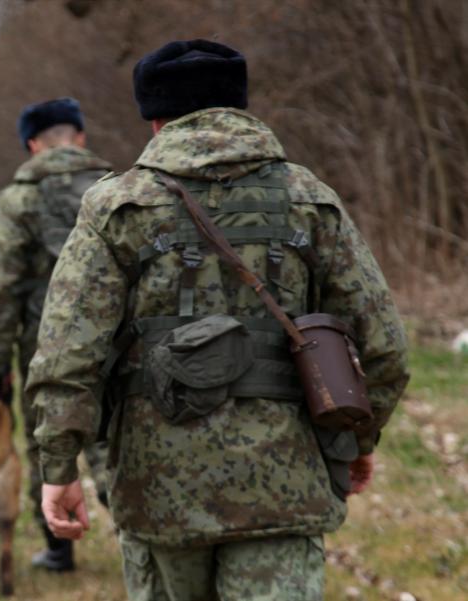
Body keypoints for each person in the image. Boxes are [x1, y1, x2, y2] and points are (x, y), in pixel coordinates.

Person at [26, 40, 409, 600]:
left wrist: (59, 468)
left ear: (156, 121)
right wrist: (356, 437)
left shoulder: (117, 207)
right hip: (286, 487)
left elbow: (66, 355)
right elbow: (384, 349)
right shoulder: (310, 199)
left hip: (159, 492)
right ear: (240, 107)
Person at [0, 97, 113, 572]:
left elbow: (0, 293)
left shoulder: (18, 198)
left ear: (32, 145)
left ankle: (59, 548)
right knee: (113, 438)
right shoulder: (115, 188)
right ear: (79, 136)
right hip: (119, 340)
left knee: (45, 441)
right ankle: (142, 541)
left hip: (44, 346)